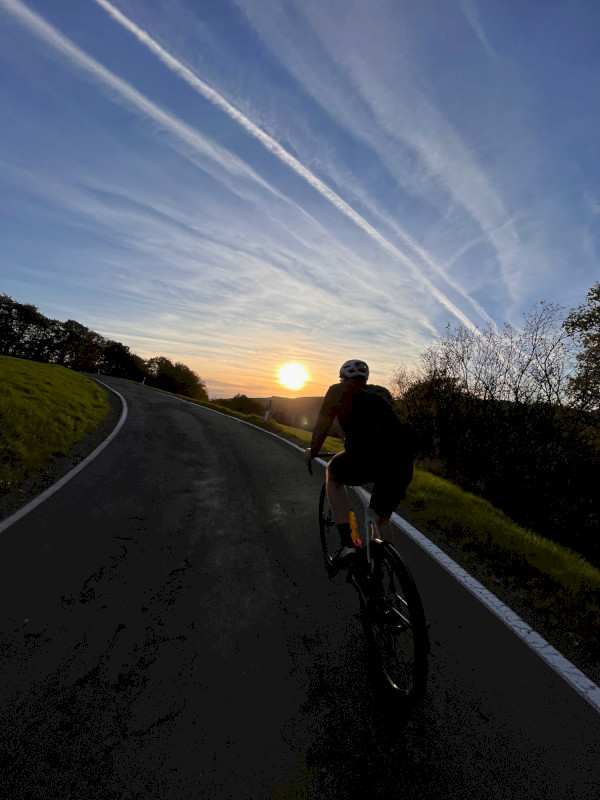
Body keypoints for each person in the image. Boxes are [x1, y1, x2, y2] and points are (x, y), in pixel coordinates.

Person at [304, 359, 415, 567]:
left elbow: (322, 425)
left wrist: (313, 452)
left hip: (366, 457)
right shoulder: (382, 393)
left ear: (343, 378)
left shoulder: (337, 390)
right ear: (365, 379)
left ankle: (348, 546)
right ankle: (381, 577)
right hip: (402, 459)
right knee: (381, 518)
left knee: (333, 472)